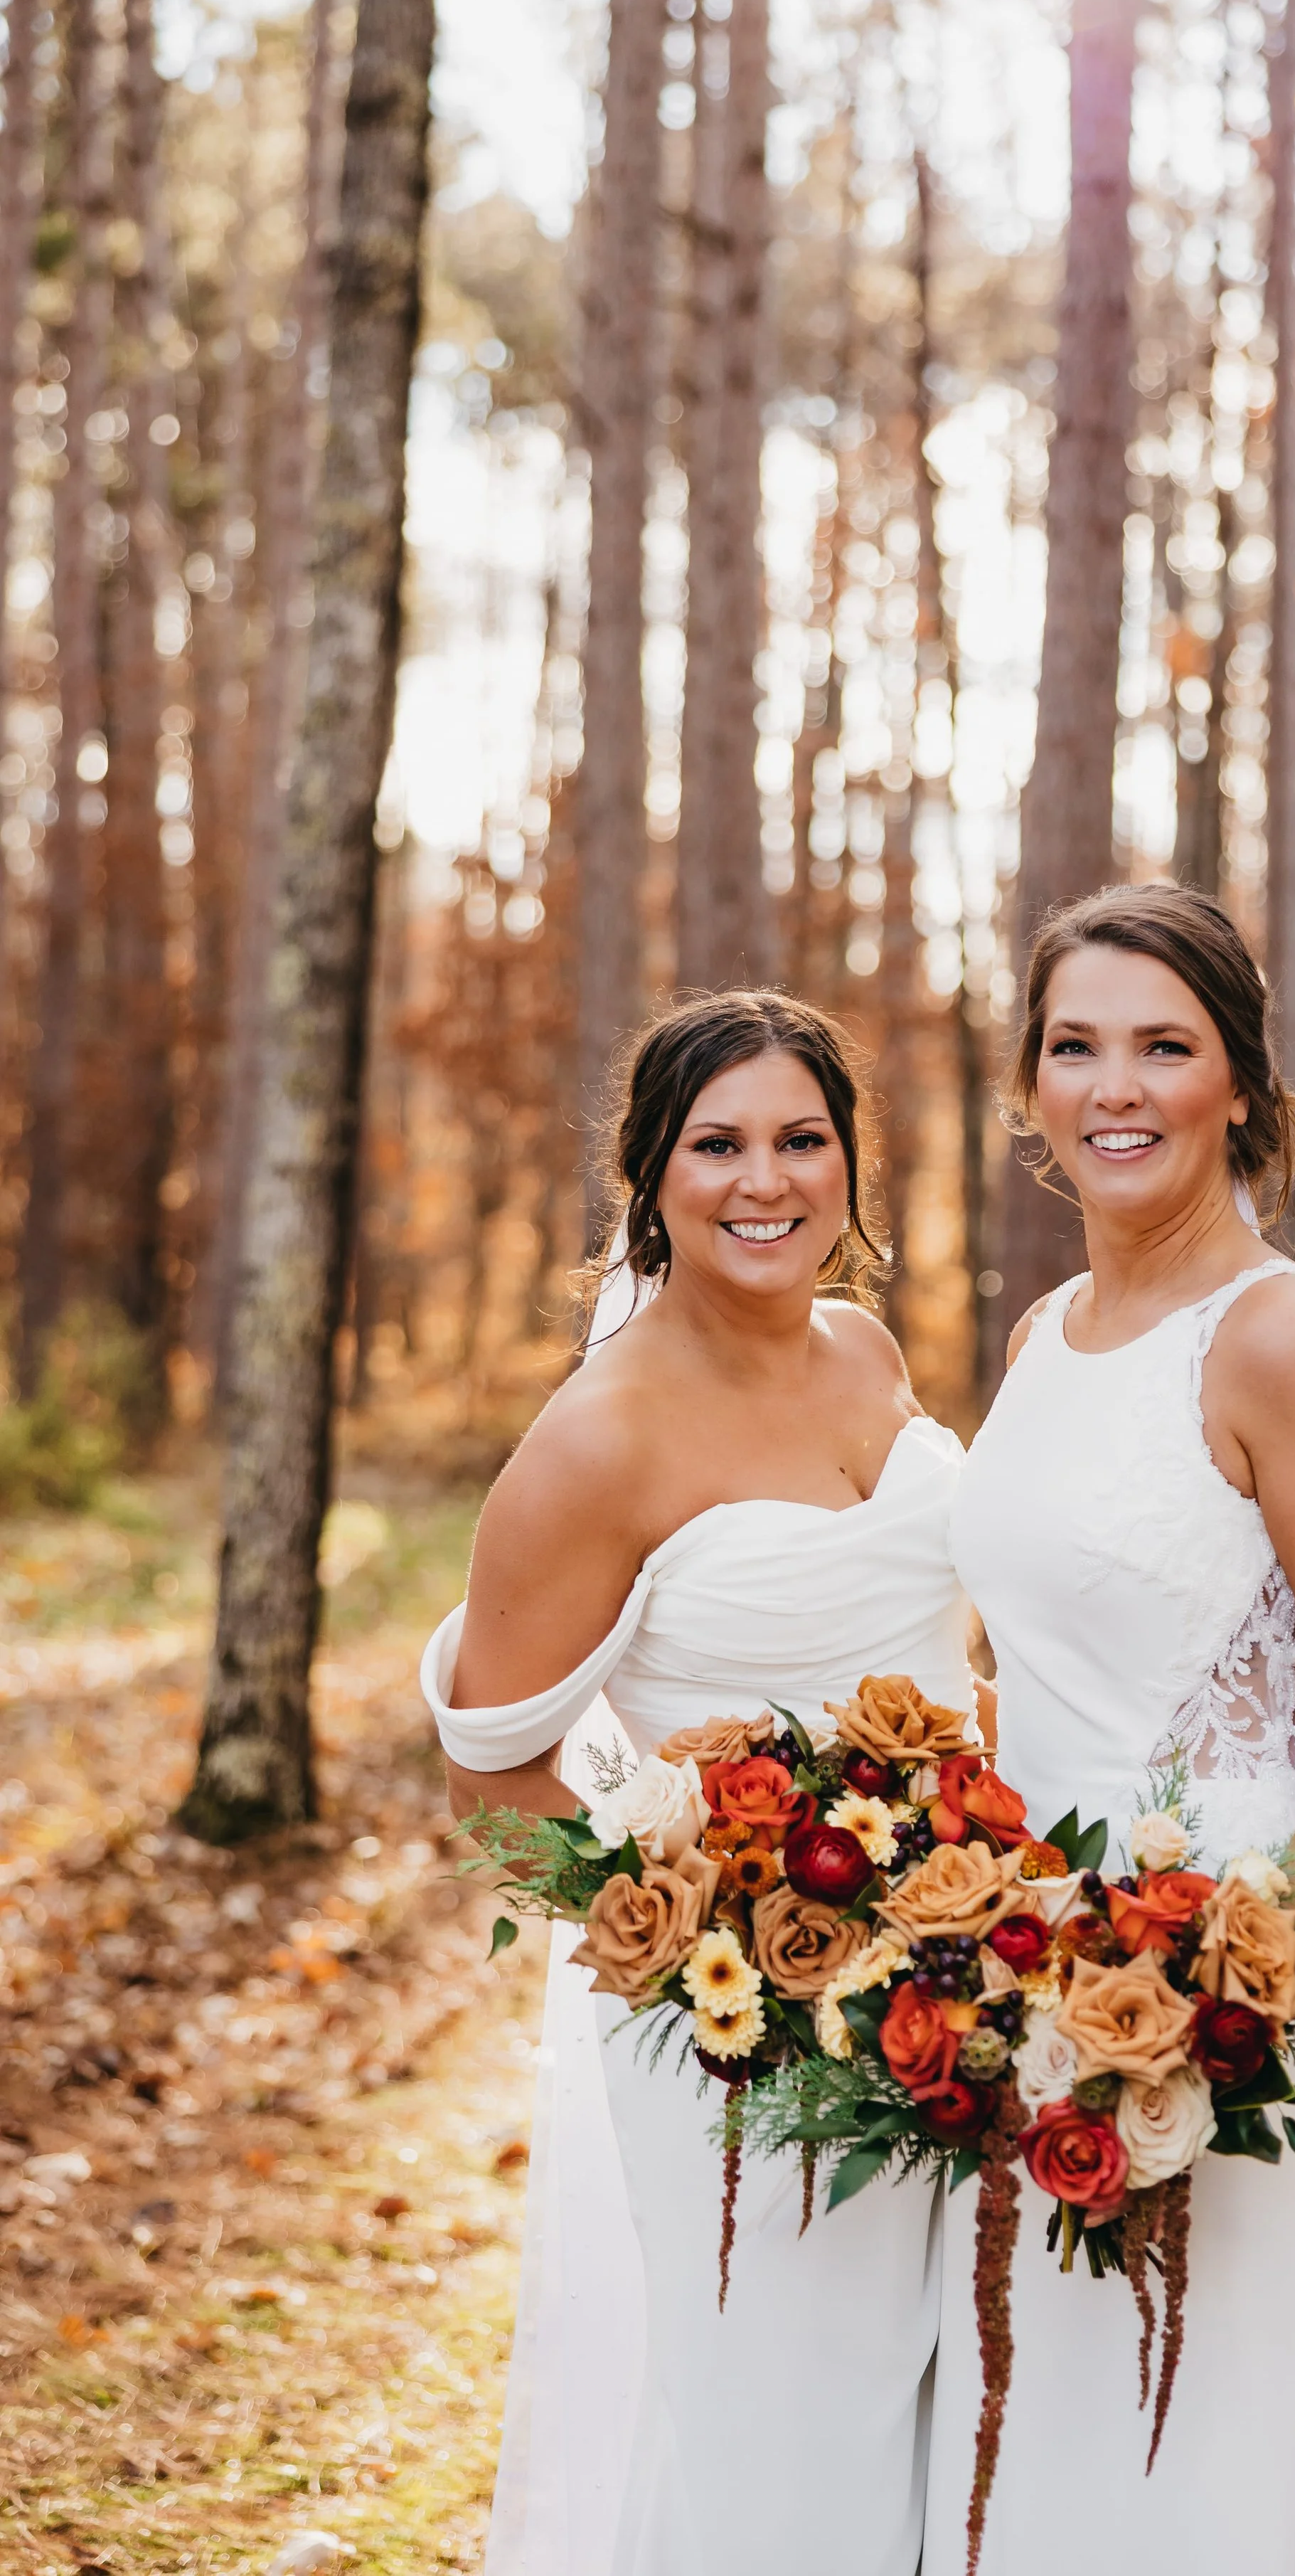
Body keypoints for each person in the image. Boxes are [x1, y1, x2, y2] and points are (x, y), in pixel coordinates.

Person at [928, 883, 1295, 2575]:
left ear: (1239, 1086)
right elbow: (1030, 1671)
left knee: (1219, 2486)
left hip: (1239, 2012)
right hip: (1026, 2005)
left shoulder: (1289, 1340)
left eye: (1161, 1046)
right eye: (1073, 1045)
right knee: (1053, 2484)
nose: (1115, 1086)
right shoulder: (1041, 1337)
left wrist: (1204, 2010)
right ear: (1030, 1084)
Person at [420, 991, 976, 2576]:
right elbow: (487, 1780)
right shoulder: (596, 1440)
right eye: (717, 1144)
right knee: (783, 2433)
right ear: (649, 1177)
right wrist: (693, 1972)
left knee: (944, 2411)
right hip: (746, 2040)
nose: (765, 1180)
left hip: (957, 1976)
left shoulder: (866, 1352)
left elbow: (927, 1647)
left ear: (847, 1167)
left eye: (803, 1140)